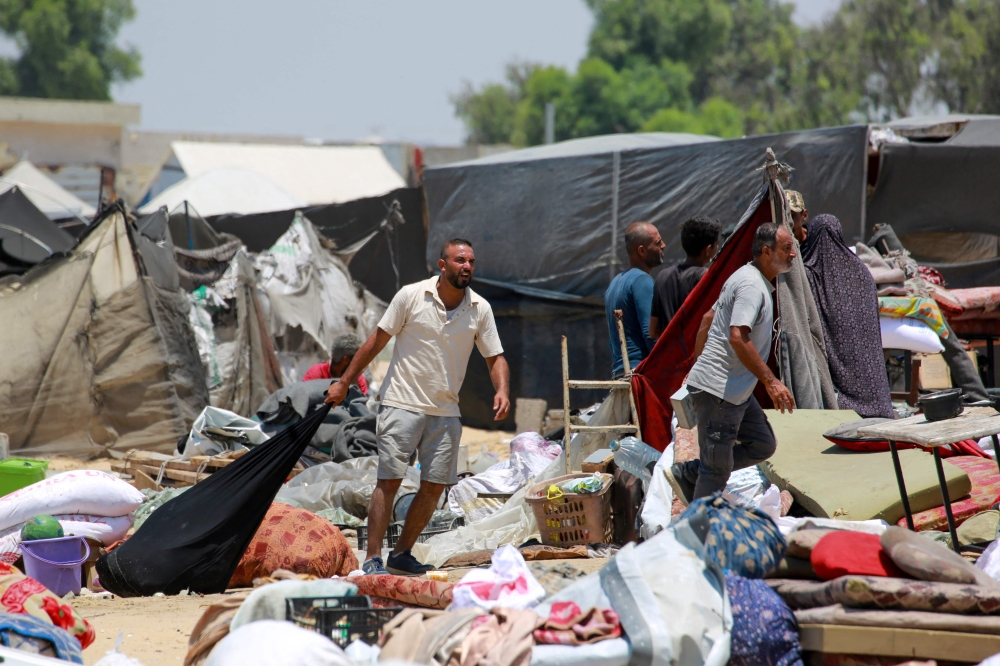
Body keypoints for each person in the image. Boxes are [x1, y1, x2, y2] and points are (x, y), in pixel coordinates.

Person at [325, 238, 509, 575]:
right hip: (401, 404)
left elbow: (495, 356)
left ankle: (401, 553)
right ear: (442, 265)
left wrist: (503, 390)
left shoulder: (480, 308)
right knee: (390, 479)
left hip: (445, 412)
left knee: (436, 485)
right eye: (459, 260)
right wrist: (344, 382)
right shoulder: (411, 296)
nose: (466, 266)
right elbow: (375, 341)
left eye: (470, 261)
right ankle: (373, 558)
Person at [666, 223, 797, 504]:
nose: (793, 254)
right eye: (787, 248)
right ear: (766, 251)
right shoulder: (752, 285)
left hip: (733, 390)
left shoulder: (746, 277)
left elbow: (707, 321)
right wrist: (771, 381)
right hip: (720, 393)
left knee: (762, 443)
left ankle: (689, 474)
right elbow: (738, 336)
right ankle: (698, 539)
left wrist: (698, 368)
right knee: (715, 472)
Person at [801, 214, 894, 419]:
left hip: (836, 350)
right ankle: (877, 407)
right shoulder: (861, 270)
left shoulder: (810, 272)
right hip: (866, 352)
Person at [605, 221, 664, 378]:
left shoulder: (615, 283)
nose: (663, 246)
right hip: (639, 374)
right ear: (642, 251)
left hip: (620, 373)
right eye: (658, 243)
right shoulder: (642, 281)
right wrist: (668, 368)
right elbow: (650, 333)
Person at [649, 216, 721, 338]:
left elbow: (653, 331)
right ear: (708, 249)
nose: (718, 248)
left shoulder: (663, 276)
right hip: (696, 354)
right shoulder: (706, 277)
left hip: (668, 355)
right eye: (716, 245)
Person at [302, 333, 369, 395]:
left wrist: (353, 383)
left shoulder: (359, 380)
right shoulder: (315, 375)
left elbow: (360, 406)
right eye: (359, 360)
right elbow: (303, 400)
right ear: (346, 360)